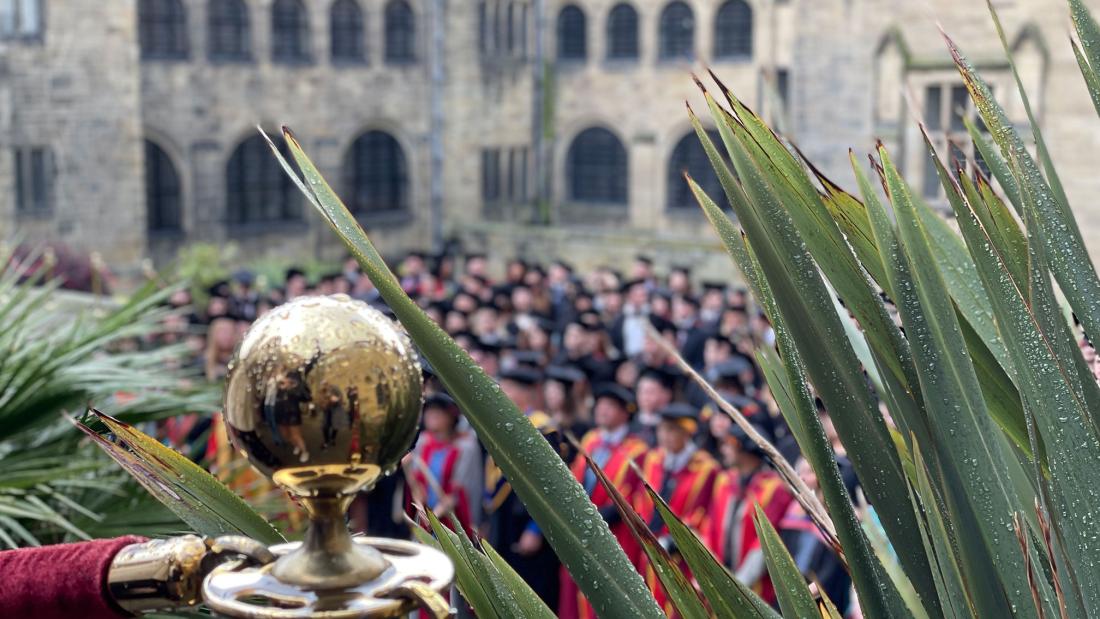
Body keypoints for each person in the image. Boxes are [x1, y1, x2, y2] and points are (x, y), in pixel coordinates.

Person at [560, 383, 648, 619]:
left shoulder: (637, 450)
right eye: (600, 404)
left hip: (614, 535)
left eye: (610, 406)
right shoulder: (591, 439)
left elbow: (629, 498)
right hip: (582, 531)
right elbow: (576, 479)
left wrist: (596, 517)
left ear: (625, 412)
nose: (602, 410)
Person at [483, 366, 563, 610]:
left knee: (532, 596)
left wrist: (535, 529)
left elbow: (550, 485)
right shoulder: (502, 424)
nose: (501, 392)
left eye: (506, 387)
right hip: (504, 523)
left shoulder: (542, 430)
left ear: (523, 393)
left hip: (528, 524)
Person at [634, 403, 720, 615]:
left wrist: (672, 540)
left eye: (671, 429)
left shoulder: (706, 468)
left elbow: (703, 513)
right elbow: (641, 500)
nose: (664, 435)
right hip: (649, 548)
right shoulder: (654, 459)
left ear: (686, 432)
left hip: (681, 557)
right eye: (662, 429)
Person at [705, 424, 793, 607]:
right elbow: (711, 527)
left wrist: (739, 586)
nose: (723, 449)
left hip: (755, 589)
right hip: (720, 578)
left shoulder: (774, 489)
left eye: (728, 444)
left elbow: (765, 545)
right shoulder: (724, 480)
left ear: (744, 448)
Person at [407, 393, 480, 534]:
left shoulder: (465, 446)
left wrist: (434, 517)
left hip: (452, 521)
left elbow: (458, 492)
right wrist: (421, 510)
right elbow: (416, 485)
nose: (432, 415)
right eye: (429, 410)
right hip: (425, 516)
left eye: (439, 411)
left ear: (452, 416)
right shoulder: (422, 441)